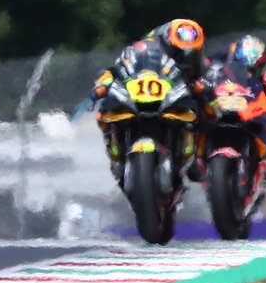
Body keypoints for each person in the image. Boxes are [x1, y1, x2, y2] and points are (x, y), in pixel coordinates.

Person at [89, 18, 212, 183]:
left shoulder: (198, 62)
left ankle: (197, 158)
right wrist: (103, 83)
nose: (183, 57)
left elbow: (207, 77)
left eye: (190, 54)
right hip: (145, 92)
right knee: (104, 112)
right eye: (178, 52)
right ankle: (114, 152)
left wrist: (205, 86)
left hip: (178, 92)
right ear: (168, 44)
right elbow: (119, 66)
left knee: (204, 113)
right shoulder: (146, 47)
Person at [205, 33, 266, 181]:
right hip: (222, 104)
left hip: (247, 108)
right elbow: (203, 75)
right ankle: (195, 157)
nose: (247, 73)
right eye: (244, 68)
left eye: (253, 70)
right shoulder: (218, 68)